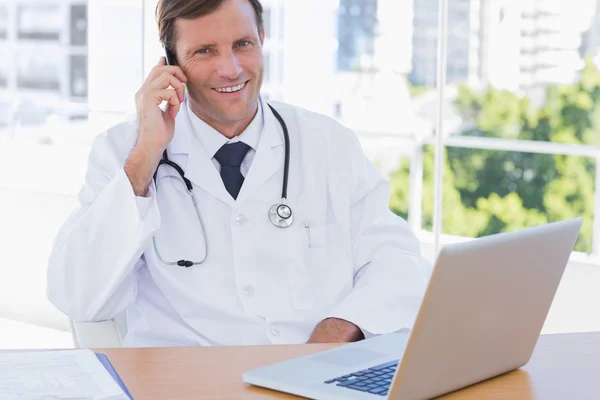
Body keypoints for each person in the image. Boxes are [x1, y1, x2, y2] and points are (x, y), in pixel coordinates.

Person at [46, 0, 430, 347]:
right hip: (183, 384)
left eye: (243, 44)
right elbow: (79, 294)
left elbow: (398, 260)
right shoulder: (124, 151)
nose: (230, 69)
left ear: (262, 39)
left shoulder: (327, 143)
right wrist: (146, 156)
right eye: (204, 51)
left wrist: (336, 330)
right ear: (170, 63)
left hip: (313, 376)